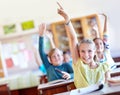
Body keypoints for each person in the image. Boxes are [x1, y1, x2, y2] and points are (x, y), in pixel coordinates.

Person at [57, 2, 110, 88]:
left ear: (95, 51)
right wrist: (66, 18)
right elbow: (73, 38)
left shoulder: (104, 67)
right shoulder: (78, 63)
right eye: (82, 51)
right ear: (78, 52)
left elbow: (109, 87)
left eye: (89, 51)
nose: (86, 55)